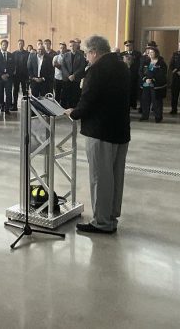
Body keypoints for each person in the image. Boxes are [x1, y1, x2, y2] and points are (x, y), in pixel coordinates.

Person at [66, 35, 130, 234]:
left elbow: (88, 99)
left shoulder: (96, 70)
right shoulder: (123, 67)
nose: (86, 58)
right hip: (120, 130)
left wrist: (73, 113)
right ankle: (111, 217)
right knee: (115, 176)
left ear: (94, 52)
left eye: (87, 54)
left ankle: (101, 222)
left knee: (100, 178)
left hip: (100, 131)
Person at [139, 46, 168, 123]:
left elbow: (162, 74)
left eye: (152, 52)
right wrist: (145, 79)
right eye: (149, 52)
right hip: (146, 84)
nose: (150, 54)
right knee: (145, 100)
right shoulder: (146, 61)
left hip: (156, 86)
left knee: (157, 102)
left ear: (156, 53)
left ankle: (158, 117)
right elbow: (140, 71)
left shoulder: (161, 62)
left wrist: (152, 80)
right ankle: (145, 116)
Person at [62, 39, 87, 107]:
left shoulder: (81, 55)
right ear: (69, 47)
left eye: (73, 46)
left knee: (75, 94)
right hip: (67, 79)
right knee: (67, 94)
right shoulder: (65, 55)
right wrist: (68, 76)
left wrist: (74, 75)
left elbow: (82, 67)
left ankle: (74, 108)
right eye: (71, 46)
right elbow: (63, 66)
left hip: (76, 78)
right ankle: (67, 108)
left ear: (76, 46)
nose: (72, 47)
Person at [0, 40, 14, 115]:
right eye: (3, 45)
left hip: (8, 77)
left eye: (6, 45)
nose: (4, 46)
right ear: (1, 45)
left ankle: (7, 109)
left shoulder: (11, 55)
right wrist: (1, 75)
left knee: (8, 93)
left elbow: (13, 67)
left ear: (7, 46)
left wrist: (8, 74)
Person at [120, 40, 141, 109]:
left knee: (134, 89)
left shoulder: (137, 54)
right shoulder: (122, 54)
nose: (129, 47)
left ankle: (133, 104)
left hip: (134, 74)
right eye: (127, 45)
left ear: (132, 45)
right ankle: (126, 104)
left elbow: (139, 64)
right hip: (125, 74)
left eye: (130, 45)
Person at [11, 39, 29, 111]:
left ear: (24, 44)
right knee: (15, 90)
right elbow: (11, 64)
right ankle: (14, 106)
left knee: (25, 91)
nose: (20, 45)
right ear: (17, 44)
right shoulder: (14, 54)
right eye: (19, 44)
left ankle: (25, 107)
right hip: (16, 75)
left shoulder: (27, 54)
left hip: (24, 75)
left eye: (21, 43)